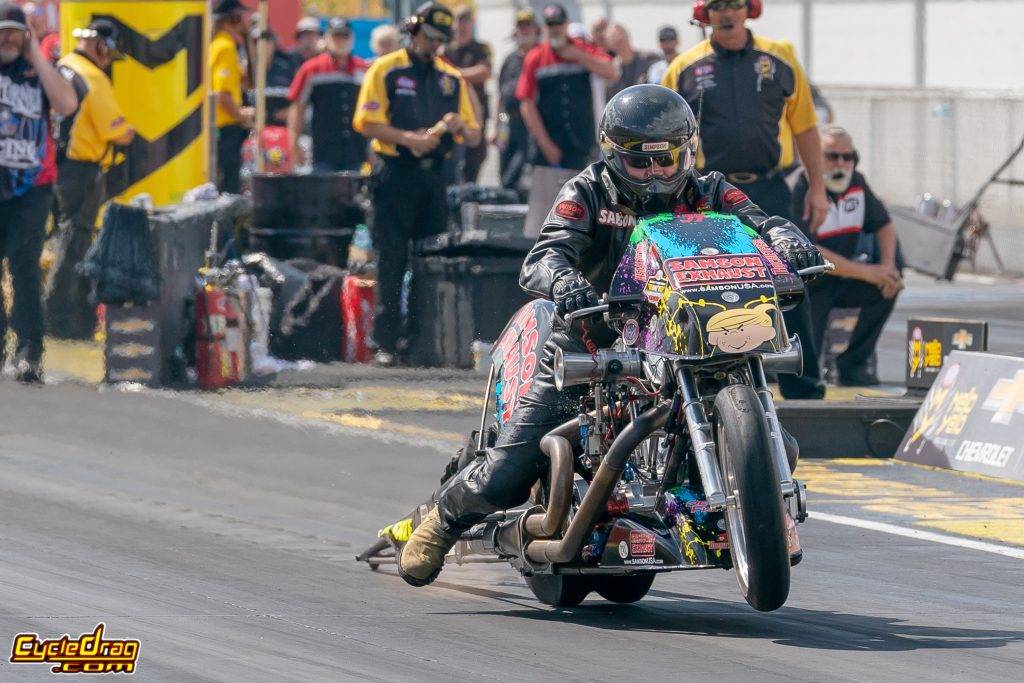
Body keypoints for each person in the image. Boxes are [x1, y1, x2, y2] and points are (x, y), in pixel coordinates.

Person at [396, 85, 822, 587]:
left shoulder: (710, 189)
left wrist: (787, 238)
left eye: (666, 160)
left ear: (686, 151)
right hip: (593, 345)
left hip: (687, 341)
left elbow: (759, 222)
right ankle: (441, 524)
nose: (656, 173)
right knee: (506, 473)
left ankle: (763, 513)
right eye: (640, 163)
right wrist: (564, 280)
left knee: (783, 444)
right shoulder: (587, 191)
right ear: (611, 153)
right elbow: (545, 254)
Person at [662, 0, 829, 400]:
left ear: (749, 9)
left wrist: (818, 187)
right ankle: (706, 378)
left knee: (792, 276)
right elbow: (665, 140)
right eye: (717, 5)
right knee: (702, 279)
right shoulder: (682, 67)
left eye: (735, 3)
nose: (727, 13)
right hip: (706, 192)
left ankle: (801, 383)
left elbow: (805, 127)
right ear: (704, 13)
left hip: (769, 187)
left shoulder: (781, 56)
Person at [353, 2, 481, 368]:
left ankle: (424, 338)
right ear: (413, 31)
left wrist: (458, 126)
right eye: (429, 38)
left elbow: (474, 134)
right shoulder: (386, 69)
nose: (434, 46)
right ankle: (387, 342)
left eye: (440, 40)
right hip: (395, 172)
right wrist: (409, 138)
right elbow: (365, 121)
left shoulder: (450, 77)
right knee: (391, 258)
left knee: (430, 259)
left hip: (435, 176)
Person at [0, 1, 77, 382]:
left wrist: (36, 54)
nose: (8, 38)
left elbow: (67, 103)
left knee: (25, 267)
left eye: (15, 31)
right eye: (3, 31)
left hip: (33, 186)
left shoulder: (39, 72)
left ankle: (31, 350)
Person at [792, 126, 902, 387]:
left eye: (847, 156)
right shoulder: (801, 188)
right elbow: (810, 250)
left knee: (889, 284)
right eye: (832, 156)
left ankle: (852, 365)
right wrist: (867, 271)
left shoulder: (858, 184)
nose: (841, 163)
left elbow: (884, 225)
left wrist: (887, 266)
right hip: (810, 287)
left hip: (843, 278)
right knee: (806, 369)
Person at [45, 19, 134, 340]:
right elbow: (118, 131)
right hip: (82, 170)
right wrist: (130, 131)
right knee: (75, 241)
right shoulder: (94, 77)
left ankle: (64, 314)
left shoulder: (62, 66)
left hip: (54, 167)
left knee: (62, 237)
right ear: (101, 45)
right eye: (109, 53)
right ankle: (57, 316)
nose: (109, 60)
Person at [516, 4, 617, 172]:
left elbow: (611, 72)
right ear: (544, 27)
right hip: (548, 145)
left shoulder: (581, 47)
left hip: (581, 144)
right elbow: (526, 103)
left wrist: (579, 56)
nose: (555, 29)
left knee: (581, 196)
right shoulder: (535, 57)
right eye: (551, 25)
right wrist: (546, 145)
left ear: (566, 24)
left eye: (559, 24)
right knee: (545, 197)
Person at [287, 18, 368, 172]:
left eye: (345, 36)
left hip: (358, 151)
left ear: (352, 38)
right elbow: (297, 108)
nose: (341, 40)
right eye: (336, 36)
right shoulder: (311, 69)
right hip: (323, 151)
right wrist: (294, 144)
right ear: (326, 38)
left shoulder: (363, 69)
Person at [443, 6, 491, 184]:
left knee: (475, 158)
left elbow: (484, 71)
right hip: (451, 114)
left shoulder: (481, 49)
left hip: (475, 114)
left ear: (472, 23)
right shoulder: (446, 50)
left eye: (466, 20)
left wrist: (455, 74)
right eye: (458, 20)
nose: (461, 25)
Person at [209, 0, 253, 194]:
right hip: (226, 127)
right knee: (229, 186)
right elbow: (222, 95)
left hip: (220, 126)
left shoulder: (216, 44)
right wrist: (241, 116)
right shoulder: (225, 47)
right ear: (234, 18)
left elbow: (247, 81)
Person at [495, 9, 539, 190]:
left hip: (529, 122)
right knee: (504, 163)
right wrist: (495, 127)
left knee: (520, 168)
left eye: (528, 26)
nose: (524, 31)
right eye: (521, 27)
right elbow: (500, 93)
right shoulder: (510, 58)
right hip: (508, 121)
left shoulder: (539, 56)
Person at [604, 23, 658, 100]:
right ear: (609, 44)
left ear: (628, 37)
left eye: (621, 39)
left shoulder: (650, 59)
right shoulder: (611, 70)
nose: (618, 40)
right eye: (615, 41)